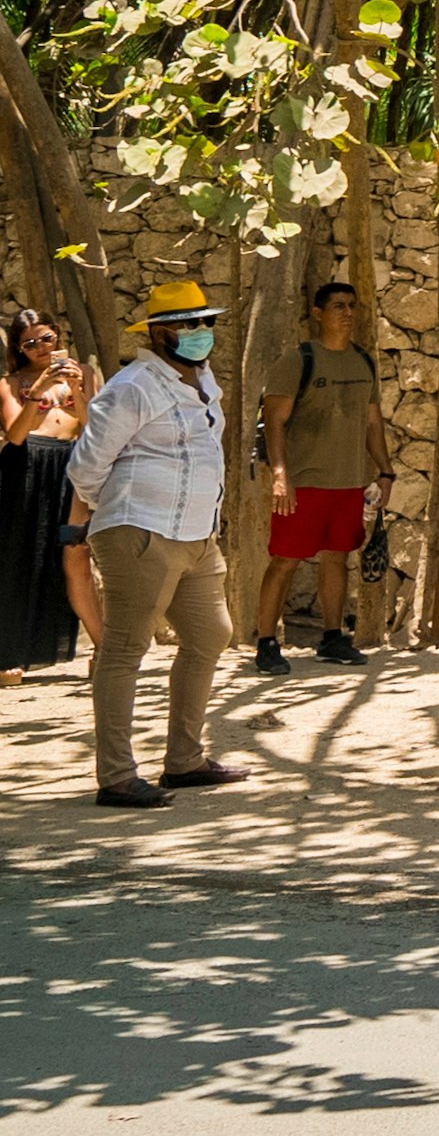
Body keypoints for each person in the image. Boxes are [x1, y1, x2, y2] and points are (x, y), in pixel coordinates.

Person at [70, 276, 247, 807]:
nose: (201, 332)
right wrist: (125, 514)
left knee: (211, 634)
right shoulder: (132, 387)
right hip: (142, 531)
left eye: (206, 323)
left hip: (197, 534)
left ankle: (184, 762)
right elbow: (86, 466)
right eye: (190, 324)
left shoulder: (204, 379)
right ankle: (117, 777)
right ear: (162, 333)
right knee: (125, 649)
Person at [251, 277, 391, 674]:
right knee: (284, 561)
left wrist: (386, 472)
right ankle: (266, 642)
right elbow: (274, 422)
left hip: (348, 482)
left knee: (338, 557)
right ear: (318, 314)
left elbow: (372, 423)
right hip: (303, 482)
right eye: (338, 306)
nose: (347, 313)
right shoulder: (298, 360)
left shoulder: (363, 361)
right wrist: (280, 474)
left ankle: (332, 637)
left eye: (352, 305)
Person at [2, 308, 102, 676]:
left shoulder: (86, 374)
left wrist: (76, 388)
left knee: (77, 555)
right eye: (30, 343)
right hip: (28, 466)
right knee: (18, 557)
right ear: (19, 348)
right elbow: (15, 435)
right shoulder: (10, 383)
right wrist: (39, 390)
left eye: (46, 338)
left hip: (74, 465)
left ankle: (103, 649)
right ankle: (8, 655)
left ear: (58, 335)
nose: (41, 348)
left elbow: (96, 425)